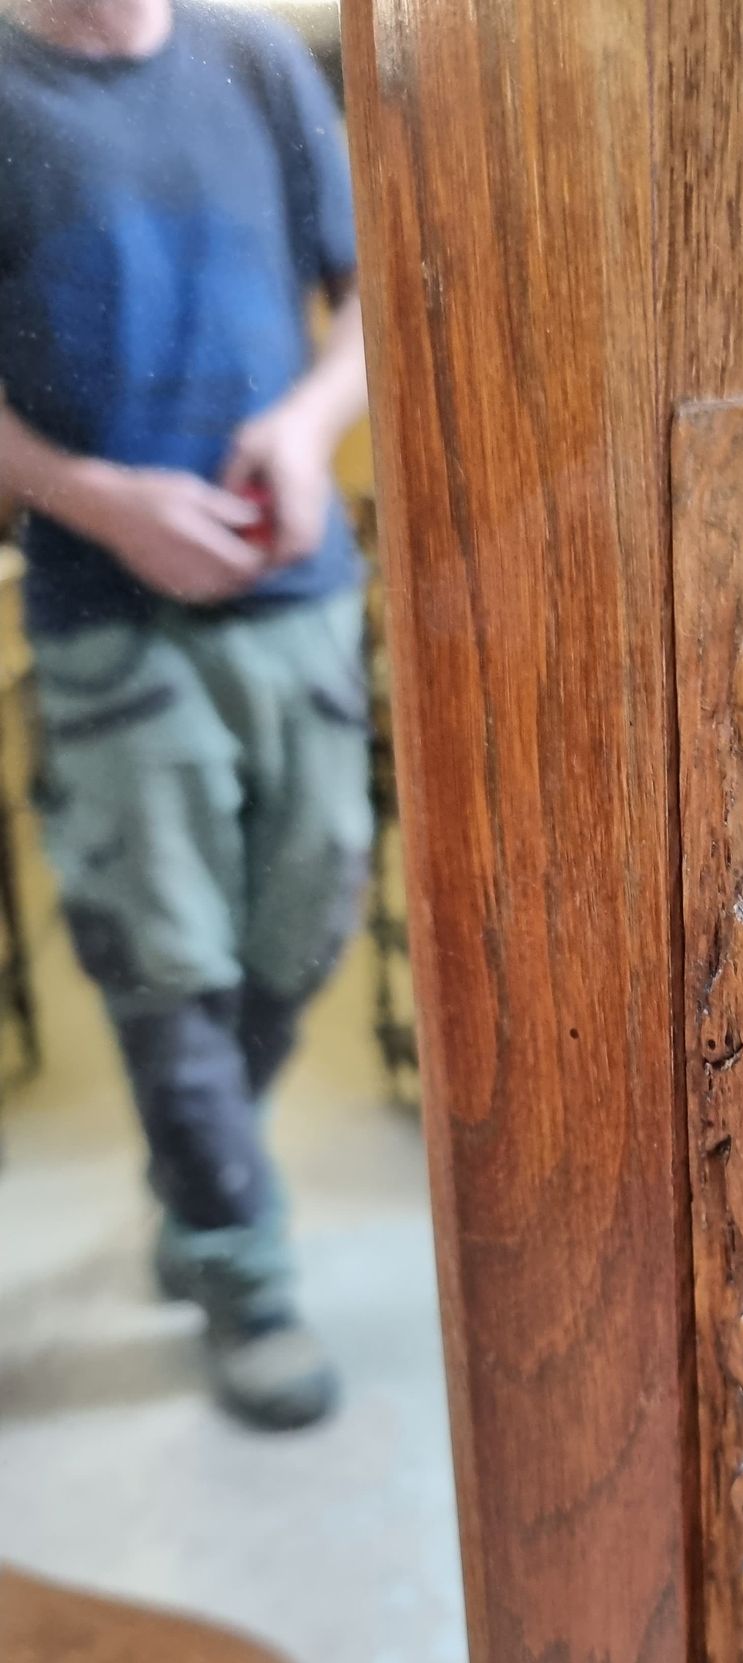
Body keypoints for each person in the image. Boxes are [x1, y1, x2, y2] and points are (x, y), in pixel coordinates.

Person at [0, 0, 372, 1428]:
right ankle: (240, 1262)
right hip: (108, 617)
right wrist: (104, 501)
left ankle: (196, 1169)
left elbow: (372, 300)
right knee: (166, 964)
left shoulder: (260, 62)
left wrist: (307, 424)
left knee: (307, 920)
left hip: (301, 595)